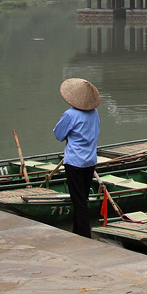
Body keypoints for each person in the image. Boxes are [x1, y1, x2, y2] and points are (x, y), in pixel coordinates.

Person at [53, 78, 101, 238]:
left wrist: (70, 137)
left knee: (79, 201)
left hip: (75, 162)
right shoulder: (94, 113)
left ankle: (84, 234)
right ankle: (77, 231)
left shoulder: (70, 114)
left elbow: (59, 134)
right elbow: (94, 133)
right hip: (90, 161)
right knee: (82, 198)